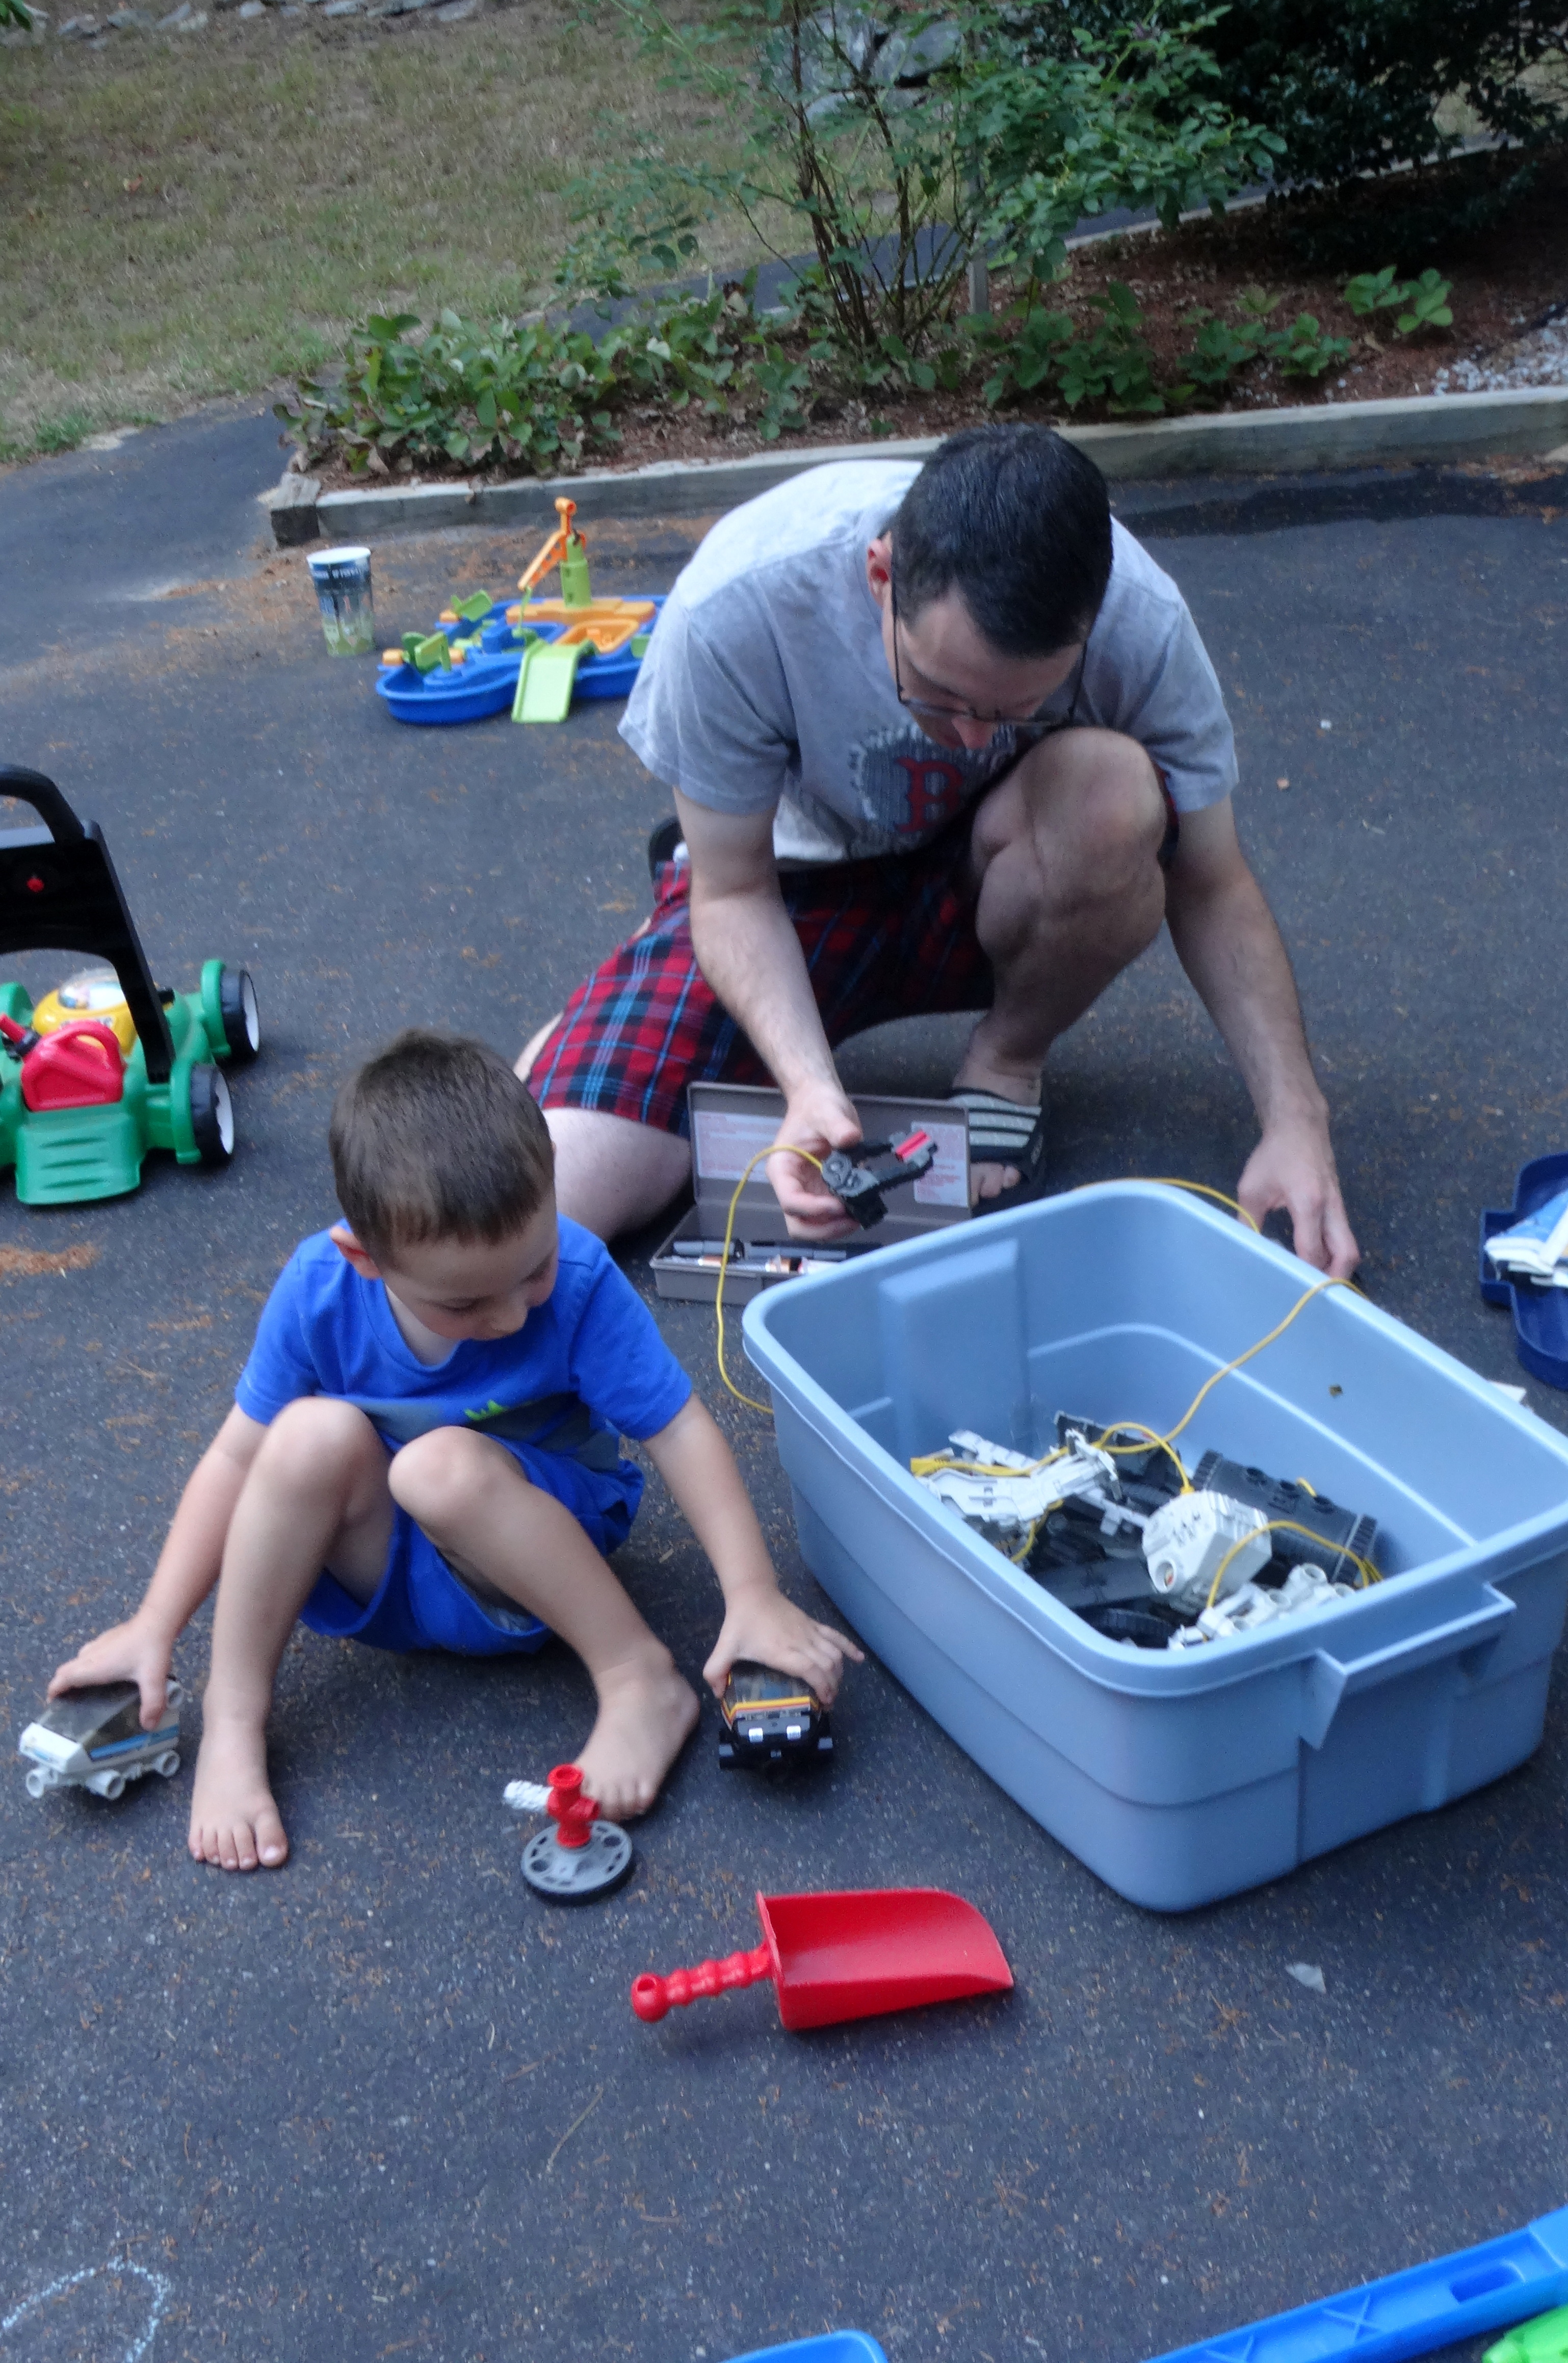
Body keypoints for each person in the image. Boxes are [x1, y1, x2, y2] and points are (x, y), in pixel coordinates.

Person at [522, 424, 1358, 1276]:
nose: (970, 739)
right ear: (880, 576)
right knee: (559, 1194)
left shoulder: (1140, 621)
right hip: (790, 889)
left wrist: (1297, 1123)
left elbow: (1211, 883)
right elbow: (733, 892)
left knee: (1115, 796)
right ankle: (615, 1008)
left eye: (1016, 708)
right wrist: (808, 1087)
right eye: (939, 693)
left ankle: (1007, 1061)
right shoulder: (739, 602)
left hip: (997, 879)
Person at [48, 1029, 859, 1872]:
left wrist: (752, 1593)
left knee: (435, 1466)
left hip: (535, 1558)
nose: (510, 1315)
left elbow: (678, 1427)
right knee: (304, 1435)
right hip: (391, 1571)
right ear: (364, 1258)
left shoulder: (580, 1278)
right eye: (466, 1303)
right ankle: (235, 1719)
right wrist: (155, 1623)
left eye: (534, 1269)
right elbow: (232, 1460)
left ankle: (635, 1675)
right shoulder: (319, 1290)